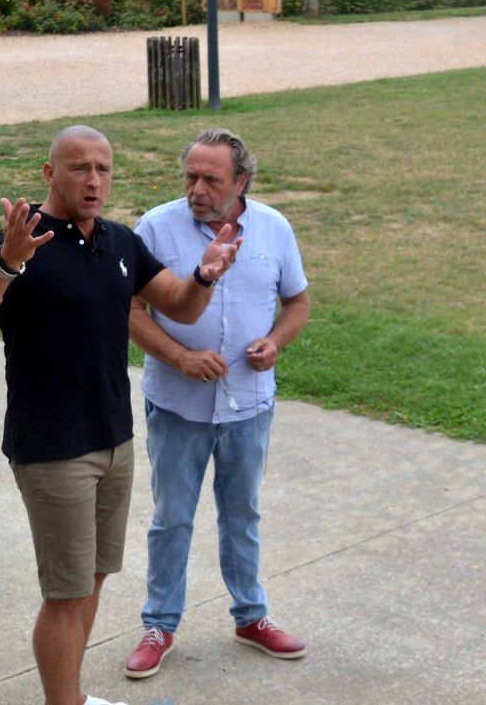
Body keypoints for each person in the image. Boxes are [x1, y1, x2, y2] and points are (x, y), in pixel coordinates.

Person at [0, 125, 241, 705]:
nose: (94, 179)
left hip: (114, 439)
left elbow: (176, 303)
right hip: (53, 448)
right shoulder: (24, 239)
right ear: (50, 174)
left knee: (93, 580)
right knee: (66, 593)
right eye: (79, 167)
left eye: (103, 168)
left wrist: (204, 274)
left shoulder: (118, 242)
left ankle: (72, 698)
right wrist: (6, 262)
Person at [123, 129, 311, 680]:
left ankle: (251, 617)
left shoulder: (274, 229)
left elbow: (297, 300)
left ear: (242, 181)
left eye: (211, 179)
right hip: (178, 406)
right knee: (172, 518)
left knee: (242, 514)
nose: (197, 189)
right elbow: (130, 311)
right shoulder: (156, 228)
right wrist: (180, 356)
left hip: (250, 405)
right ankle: (159, 625)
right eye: (190, 176)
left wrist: (275, 342)